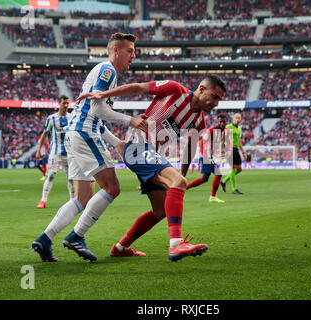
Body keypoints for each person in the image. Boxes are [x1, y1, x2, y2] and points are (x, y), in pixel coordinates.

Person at [76, 74, 226, 262]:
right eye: (215, 97)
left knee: (161, 211)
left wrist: (182, 176)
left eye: (219, 99)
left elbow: (190, 148)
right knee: (177, 183)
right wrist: (104, 94)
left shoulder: (199, 122)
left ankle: (121, 247)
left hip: (151, 155)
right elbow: (139, 87)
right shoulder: (174, 89)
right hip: (137, 147)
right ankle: (176, 244)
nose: (217, 103)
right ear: (202, 89)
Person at [32, 33, 148, 262]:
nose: (133, 56)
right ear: (116, 50)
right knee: (112, 187)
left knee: (83, 198)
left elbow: (92, 114)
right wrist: (129, 120)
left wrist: (116, 142)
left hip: (75, 135)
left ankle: (45, 239)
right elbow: (97, 112)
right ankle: (77, 236)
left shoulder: (101, 70)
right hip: (84, 135)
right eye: (130, 51)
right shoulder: (109, 71)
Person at [35, 95, 75, 209]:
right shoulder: (51, 118)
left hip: (69, 151)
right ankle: (43, 200)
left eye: (68, 103)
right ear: (59, 104)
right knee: (51, 174)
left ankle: (72, 200)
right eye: (64, 103)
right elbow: (44, 135)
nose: (66, 106)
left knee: (71, 177)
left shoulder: (71, 117)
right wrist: (39, 150)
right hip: (55, 151)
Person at [185, 114, 230, 203]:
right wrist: (207, 158)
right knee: (218, 174)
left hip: (211, 156)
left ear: (226, 122)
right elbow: (202, 144)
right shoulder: (211, 131)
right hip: (206, 156)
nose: (222, 123)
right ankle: (212, 197)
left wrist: (221, 151)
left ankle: (184, 188)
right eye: (220, 121)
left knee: (205, 179)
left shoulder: (225, 131)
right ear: (217, 122)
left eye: (224, 122)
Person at [221, 112, 245, 195]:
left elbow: (239, 142)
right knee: (233, 168)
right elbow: (223, 139)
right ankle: (234, 189)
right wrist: (222, 149)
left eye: (239, 118)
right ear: (233, 119)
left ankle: (224, 181)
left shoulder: (239, 129)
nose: (238, 119)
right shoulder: (228, 127)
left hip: (236, 149)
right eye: (236, 118)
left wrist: (243, 152)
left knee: (239, 169)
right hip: (229, 149)